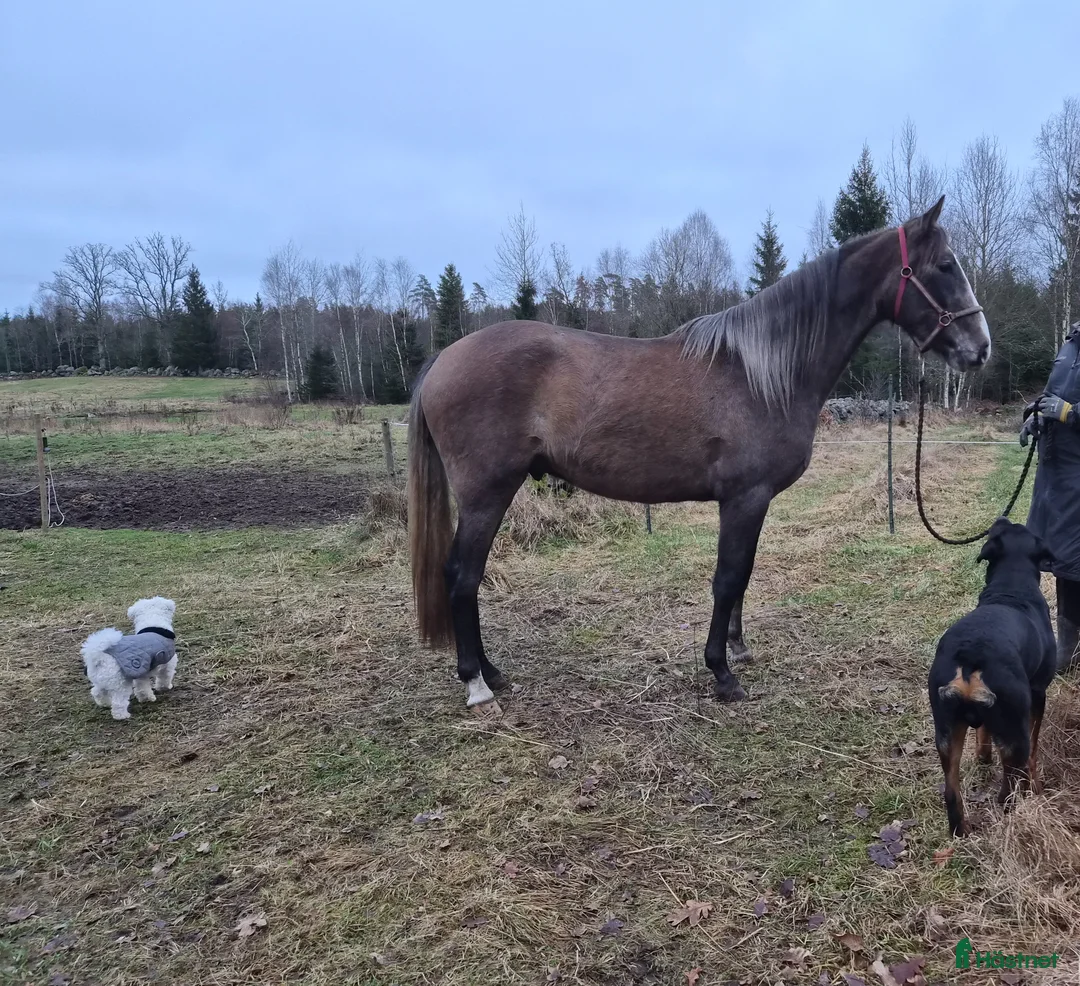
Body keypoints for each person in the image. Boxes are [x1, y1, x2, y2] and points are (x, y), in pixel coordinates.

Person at [1021, 321, 1080, 671]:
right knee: (1063, 560)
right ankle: (1068, 647)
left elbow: (1066, 405)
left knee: (1075, 558)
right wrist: (1037, 417)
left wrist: (1070, 413)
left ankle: (1068, 650)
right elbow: (1052, 394)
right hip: (1055, 475)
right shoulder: (1070, 343)